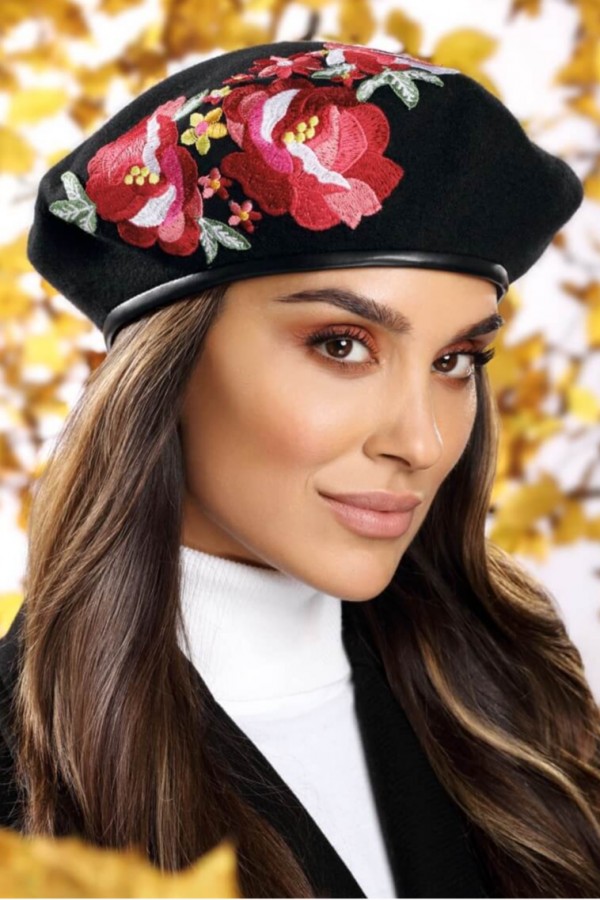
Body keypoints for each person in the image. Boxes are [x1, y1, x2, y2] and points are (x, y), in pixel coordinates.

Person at [0, 38, 599, 899]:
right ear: (168, 369)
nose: (423, 442)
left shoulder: (524, 709)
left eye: (456, 360)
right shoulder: (16, 792)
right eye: (342, 345)